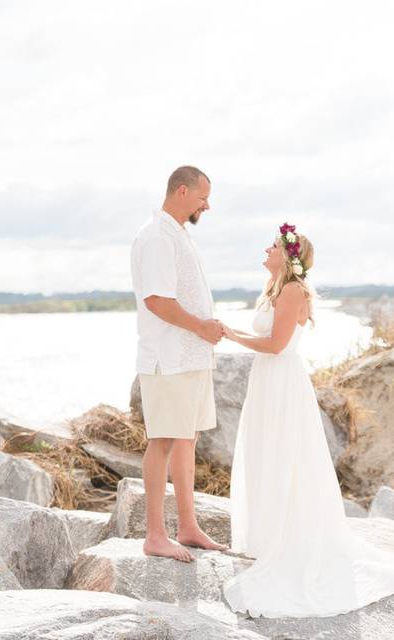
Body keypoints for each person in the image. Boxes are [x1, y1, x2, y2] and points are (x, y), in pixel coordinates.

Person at [219, 224, 394, 617]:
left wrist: (230, 335)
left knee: (286, 456)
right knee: (265, 453)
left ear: (288, 256)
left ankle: (289, 541)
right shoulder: (273, 289)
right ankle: (267, 537)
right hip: (266, 380)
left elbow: (275, 345)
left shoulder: (292, 291)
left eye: (273, 245)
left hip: (282, 380)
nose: (266, 249)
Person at [129, 165, 229, 563]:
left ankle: (187, 527)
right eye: (204, 197)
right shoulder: (156, 236)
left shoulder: (177, 232)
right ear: (183, 191)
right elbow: (157, 300)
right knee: (164, 440)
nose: (208, 204)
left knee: (187, 438)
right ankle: (156, 534)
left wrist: (204, 332)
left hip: (190, 357)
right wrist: (201, 326)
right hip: (166, 359)